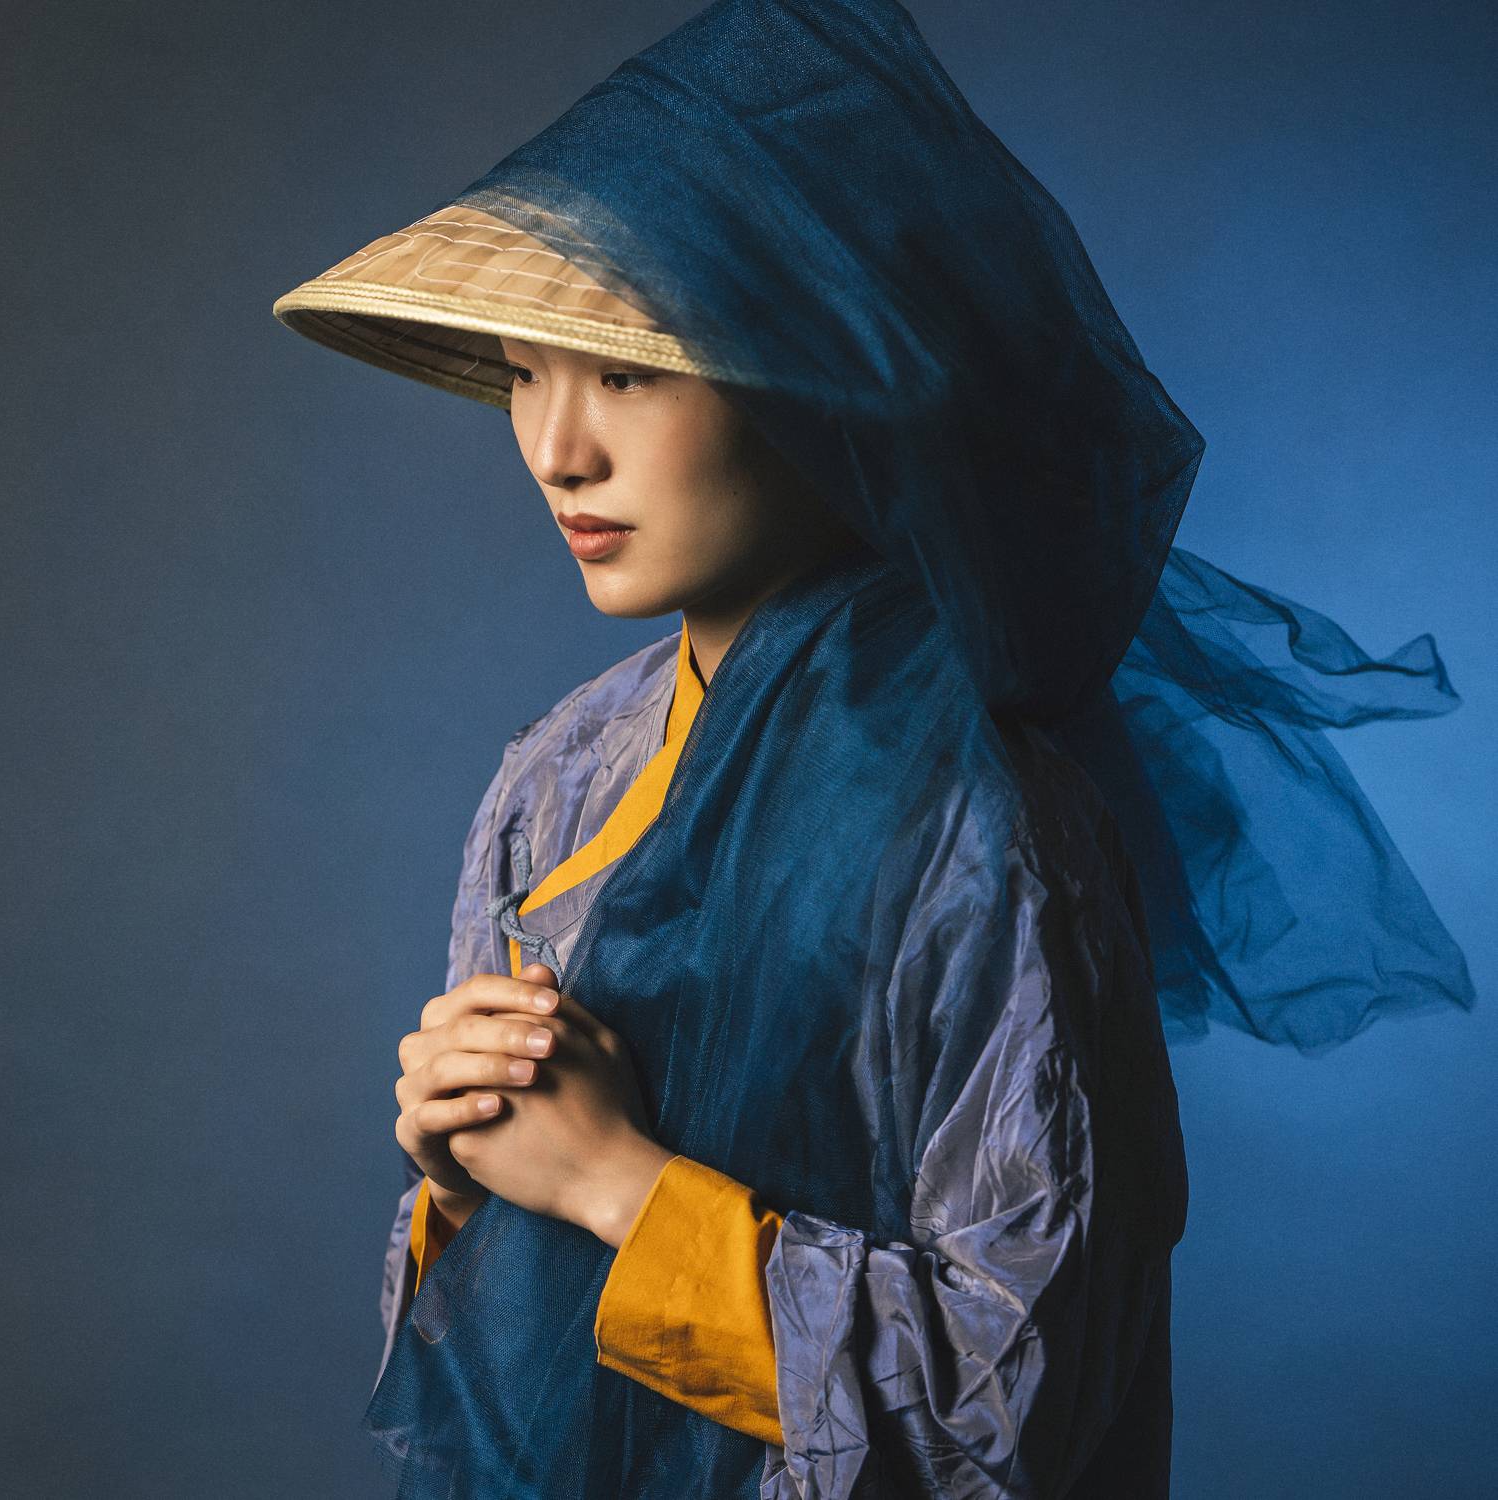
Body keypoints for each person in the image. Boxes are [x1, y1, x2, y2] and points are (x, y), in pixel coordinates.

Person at [271, 2, 1473, 1496]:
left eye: (628, 372)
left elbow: (1012, 1398)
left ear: (813, 380)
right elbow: (487, 1362)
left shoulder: (981, 815)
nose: (555, 447)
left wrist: (611, 1182)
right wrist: (460, 1161)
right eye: (526, 370)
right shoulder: (556, 773)